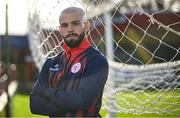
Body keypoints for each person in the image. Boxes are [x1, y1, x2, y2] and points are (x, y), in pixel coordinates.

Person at [30, 7, 109, 117]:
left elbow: (82, 100)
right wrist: (70, 102)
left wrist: (48, 92)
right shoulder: (50, 63)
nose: (70, 29)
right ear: (60, 29)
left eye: (75, 23)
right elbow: (34, 105)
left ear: (86, 26)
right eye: (64, 25)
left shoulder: (97, 61)